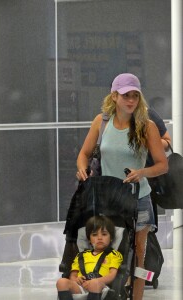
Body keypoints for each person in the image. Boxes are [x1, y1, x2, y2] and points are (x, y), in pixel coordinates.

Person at [76, 73, 168, 300]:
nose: (131, 100)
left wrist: (142, 172)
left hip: (139, 198)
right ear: (114, 96)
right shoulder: (102, 122)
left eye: (135, 96)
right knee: (108, 252)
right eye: (126, 95)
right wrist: (82, 168)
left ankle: (137, 297)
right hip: (109, 200)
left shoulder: (146, 126)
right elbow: (84, 154)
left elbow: (163, 165)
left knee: (139, 254)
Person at [56, 215, 123, 300]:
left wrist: (96, 281)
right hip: (81, 287)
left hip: (101, 287)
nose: (99, 238)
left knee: (95, 284)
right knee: (61, 282)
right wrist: (76, 280)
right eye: (94, 235)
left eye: (104, 234)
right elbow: (73, 275)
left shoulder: (114, 254)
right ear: (89, 239)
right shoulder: (81, 256)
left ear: (111, 238)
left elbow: (112, 275)